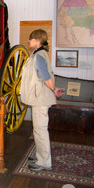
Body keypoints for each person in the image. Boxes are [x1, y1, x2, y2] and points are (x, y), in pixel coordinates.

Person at [19, 29, 63, 171]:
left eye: (31, 39)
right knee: (38, 130)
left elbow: (46, 77)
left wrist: (52, 88)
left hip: (40, 100)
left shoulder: (39, 56)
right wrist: (54, 89)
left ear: (37, 40)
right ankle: (40, 156)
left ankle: (44, 162)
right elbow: (47, 76)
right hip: (39, 98)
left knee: (40, 131)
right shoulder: (38, 54)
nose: (28, 41)